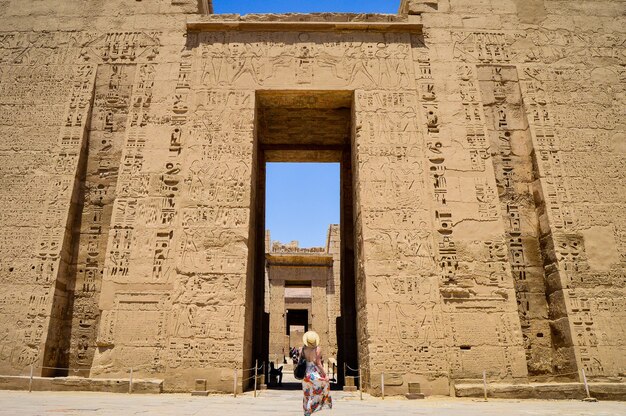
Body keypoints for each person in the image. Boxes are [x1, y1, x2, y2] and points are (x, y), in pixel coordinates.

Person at [300, 331, 332, 416]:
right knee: (321, 389)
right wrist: (325, 375)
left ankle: (306, 412)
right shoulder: (317, 349)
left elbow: (301, 362)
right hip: (313, 373)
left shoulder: (302, 349)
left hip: (305, 375)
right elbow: (318, 363)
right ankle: (311, 410)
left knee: (306, 395)